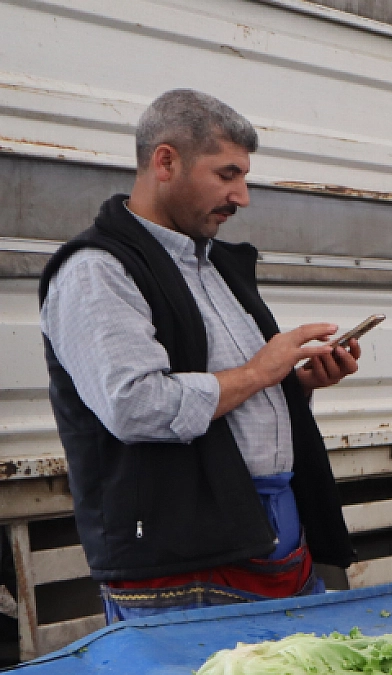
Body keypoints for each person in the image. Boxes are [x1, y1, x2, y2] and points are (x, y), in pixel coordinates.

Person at [39, 90, 358, 621]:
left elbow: (230, 394)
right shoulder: (96, 271)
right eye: (227, 174)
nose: (243, 195)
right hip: (183, 564)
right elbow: (136, 405)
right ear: (166, 161)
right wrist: (260, 371)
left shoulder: (215, 266)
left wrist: (292, 385)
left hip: (272, 538)